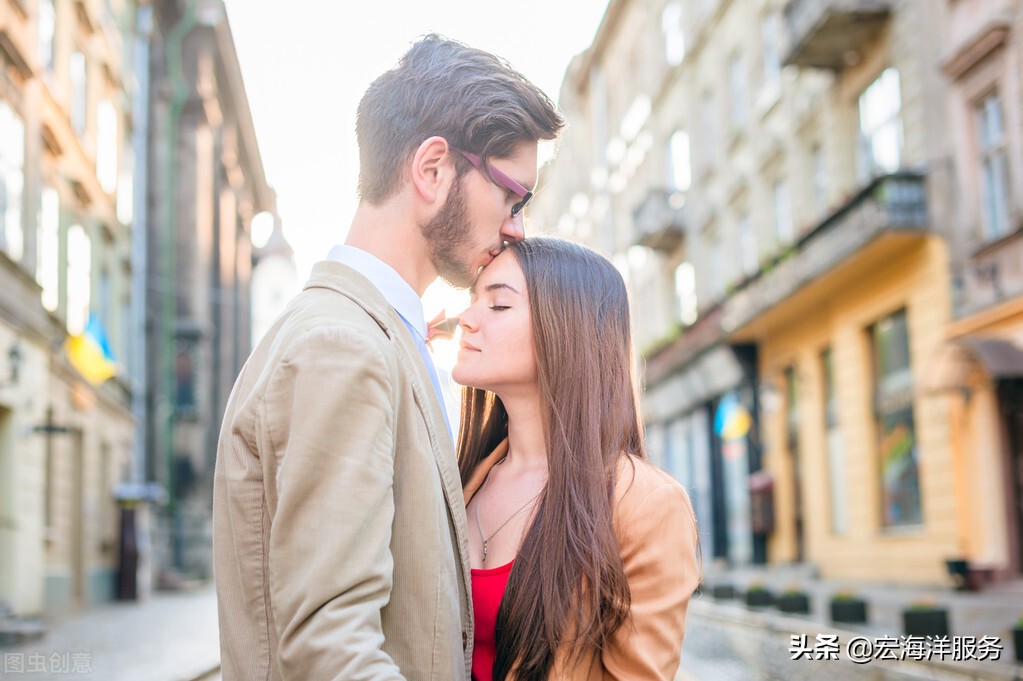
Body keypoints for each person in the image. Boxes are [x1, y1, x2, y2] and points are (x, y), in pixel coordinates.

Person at [212, 34, 563, 680]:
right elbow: (332, 652)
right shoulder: (341, 347)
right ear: (432, 170)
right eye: (512, 195)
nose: (516, 226)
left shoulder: (370, 334)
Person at [453, 238, 701, 681]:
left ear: (566, 328)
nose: (466, 319)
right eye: (473, 301)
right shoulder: (461, 478)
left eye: (498, 306)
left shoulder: (644, 504)